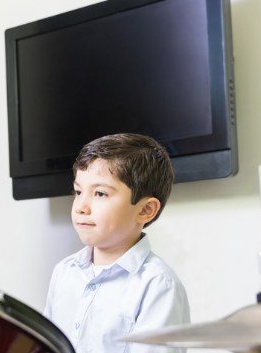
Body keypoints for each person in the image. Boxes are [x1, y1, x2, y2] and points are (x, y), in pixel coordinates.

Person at [43, 133, 189, 352]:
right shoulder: (64, 272)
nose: (81, 206)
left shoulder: (158, 285)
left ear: (145, 210)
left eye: (100, 193)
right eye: (78, 191)